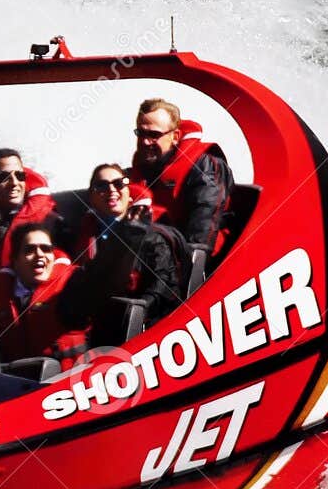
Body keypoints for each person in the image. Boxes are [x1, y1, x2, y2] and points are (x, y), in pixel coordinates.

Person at [76, 163, 182, 327]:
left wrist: (137, 312)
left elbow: (165, 285)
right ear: (92, 197)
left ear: (129, 194)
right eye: (102, 185)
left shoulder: (153, 237)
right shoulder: (83, 235)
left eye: (119, 184)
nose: (111, 190)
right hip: (92, 325)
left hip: (140, 325)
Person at [127, 97, 231, 250]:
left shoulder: (204, 165)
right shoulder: (141, 168)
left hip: (186, 258)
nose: (145, 142)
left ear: (175, 136)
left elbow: (203, 224)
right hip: (149, 250)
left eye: (154, 135)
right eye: (141, 133)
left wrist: (191, 264)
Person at [0, 224, 90, 363]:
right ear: (15, 261)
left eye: (46, 249)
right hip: (16, 380)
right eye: (29, 250)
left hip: (70, 379)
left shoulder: (74, 284)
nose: (40, 254)